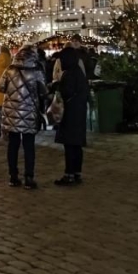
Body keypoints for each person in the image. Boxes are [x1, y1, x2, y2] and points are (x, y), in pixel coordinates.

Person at [0, 48, 47, 189]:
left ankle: (13, 177)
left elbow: (1, 87)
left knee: (13, 145)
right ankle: (29, 178)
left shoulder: (10, 69)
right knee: (29, 146)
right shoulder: (36, 71)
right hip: (29, 113)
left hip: (11, 113)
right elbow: (44, 91)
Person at [54, 48, 87, 185]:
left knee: (69, 145)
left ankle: (69, 174)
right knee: (77, 145)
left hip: (70, 113)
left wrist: (57, 85)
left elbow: (66, 92)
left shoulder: (69, 74)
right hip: (79, 112)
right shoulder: (79, 72)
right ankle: (77, 172)